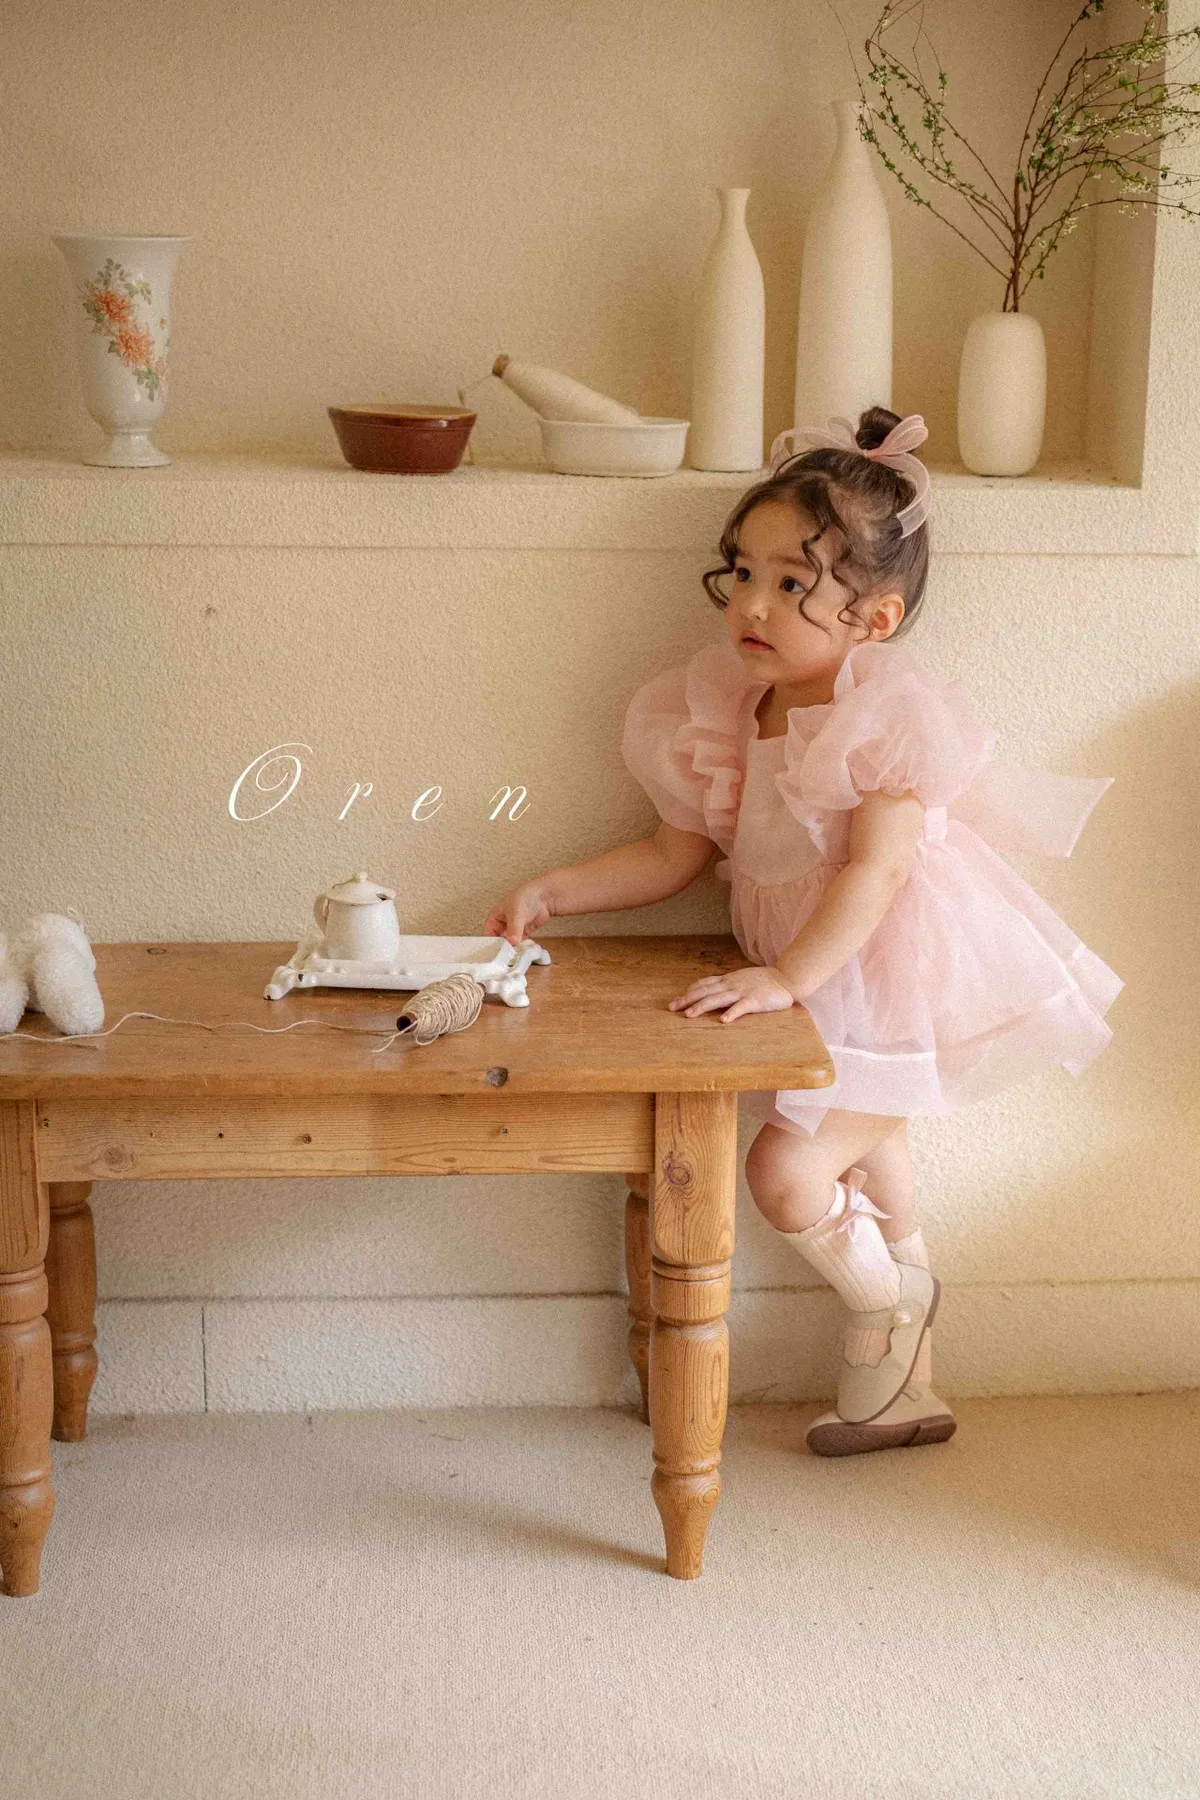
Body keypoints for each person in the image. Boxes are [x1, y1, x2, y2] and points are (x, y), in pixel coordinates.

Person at [483, 406, 1122, 1458]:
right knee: (878, 1159)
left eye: (792, 584)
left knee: (786, 1176)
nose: (752, 603)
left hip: (884, 975)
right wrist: (555, 889)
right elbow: (673, 853)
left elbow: (877, 873)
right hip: (809, 980)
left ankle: (891, 1302)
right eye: (743, 571)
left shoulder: (887, 721)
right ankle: (904, 1385)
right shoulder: (734, 707)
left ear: (874, 618)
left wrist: (785, 976)